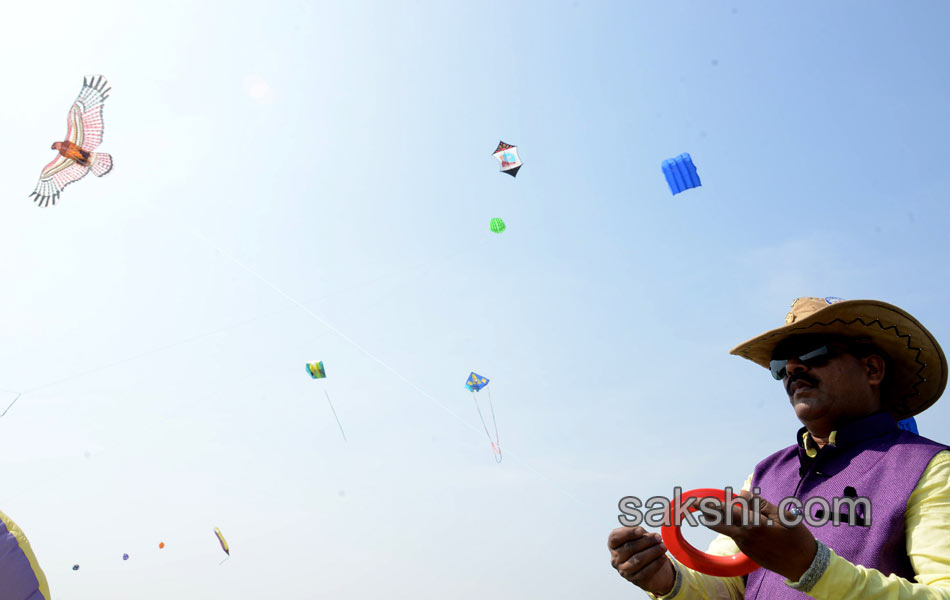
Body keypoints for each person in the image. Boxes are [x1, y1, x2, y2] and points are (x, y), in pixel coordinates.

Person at [608, 297, 950, 599]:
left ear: (872, 369)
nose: (792, 368)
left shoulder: (932, 467)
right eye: (780, 363)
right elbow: (730, 585)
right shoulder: (766, 473)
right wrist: (666, 580)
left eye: (814, 352)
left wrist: (811, 567)